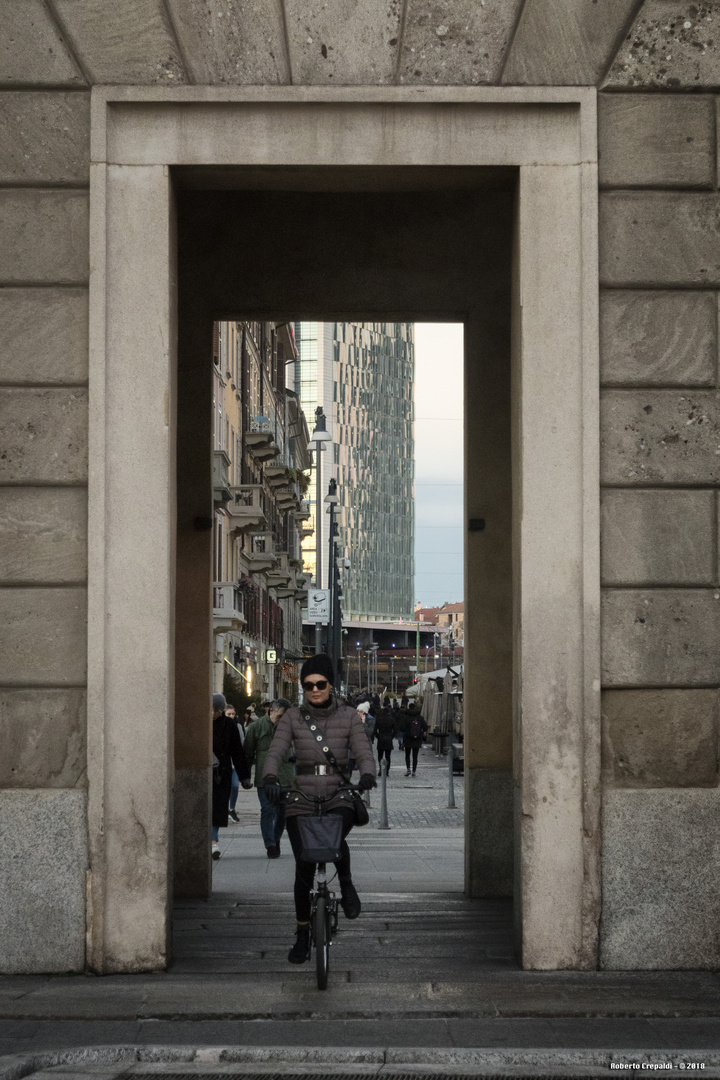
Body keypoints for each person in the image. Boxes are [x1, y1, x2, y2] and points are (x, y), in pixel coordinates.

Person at [262, 654, 376, 965]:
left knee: (335, 835)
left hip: (340, 793)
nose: (314, 689)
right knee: (303, 865)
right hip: (302, 795)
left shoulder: (351, 716)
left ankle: (348, 884)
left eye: (320, 684)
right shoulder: (292, 718)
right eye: (308, 685)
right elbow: (276, 750)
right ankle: (302, 934)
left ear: (330, 685)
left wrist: (367, 774)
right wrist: (270, 776)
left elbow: (363, 750)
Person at [243, 698, 293, 858]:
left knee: (283, 812)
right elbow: (248, 754)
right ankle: (270, 845)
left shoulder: (290, 728)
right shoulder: (256, 728)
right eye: (279, 717)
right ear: (271, 710)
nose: (281, 721)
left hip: (286, 776)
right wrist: (245, 776)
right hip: (264, 778)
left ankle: (276, 839)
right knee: (267, 810)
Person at [212, 693, 251, 860]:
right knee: (206, 807)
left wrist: (244, 777)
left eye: (216, 709)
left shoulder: (229, 725)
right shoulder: (200, 723)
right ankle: (212, 841)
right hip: (205, 772)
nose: (213, 713)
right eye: (211, 709)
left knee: (218, 807)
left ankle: (214, 841)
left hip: (222, 773)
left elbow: (237, 752)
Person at [226, 703, 243, 823]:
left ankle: (232, 809)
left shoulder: (238, 726)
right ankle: (224, 809)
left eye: (233, 714)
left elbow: (241, 743)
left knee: (235, 785)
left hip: (235, 763)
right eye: (229, 714)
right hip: (224, 764)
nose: (231, 716)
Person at [402, 702, 427, 777]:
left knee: (407, 754)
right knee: (415, 756)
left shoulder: (406, 717)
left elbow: (402, 728)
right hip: (417, 739)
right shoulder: (420, 717)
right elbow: (425, 727)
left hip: (408, 738)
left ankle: (408, 769)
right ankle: (414, 771)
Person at [374, 706, 397, 776]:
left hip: (381, 738)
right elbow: (395, 730)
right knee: (388, 756)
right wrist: (391, 736)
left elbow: (374, 730)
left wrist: (378, 736)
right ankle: (387, 770)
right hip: (388, 739)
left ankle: (381, 769)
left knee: (380, 756)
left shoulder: (378, 720)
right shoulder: (392, 720)